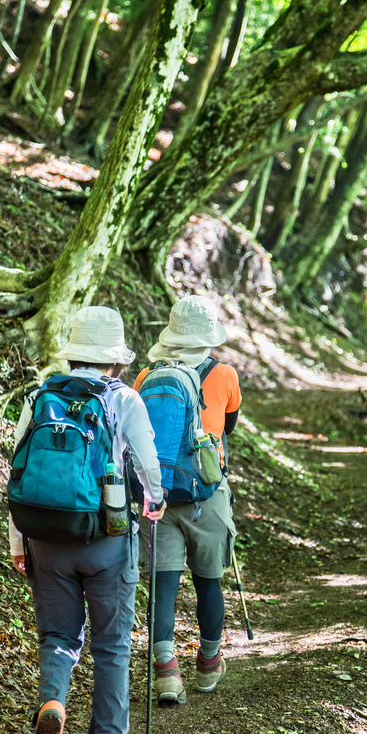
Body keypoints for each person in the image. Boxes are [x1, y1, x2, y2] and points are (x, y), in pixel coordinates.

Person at [9, 307, 166, 734]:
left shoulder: (41, 395)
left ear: (75, 353)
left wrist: (18, 542)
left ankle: (52, 703)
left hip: (46, 537)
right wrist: (154, 500)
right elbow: (149, 466)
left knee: (57, 636)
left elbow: (18, 472)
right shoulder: (124, 400)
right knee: (112, 642)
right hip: (107, 540)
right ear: (114, 359)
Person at [134, 296, 241, 706]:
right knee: (208, 579)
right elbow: (228, 426)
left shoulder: (146, 376)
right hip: (206, 494)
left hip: (156, 496)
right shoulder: (224, 373)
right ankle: (209, 663)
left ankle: (165, 673)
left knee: (163, 584)